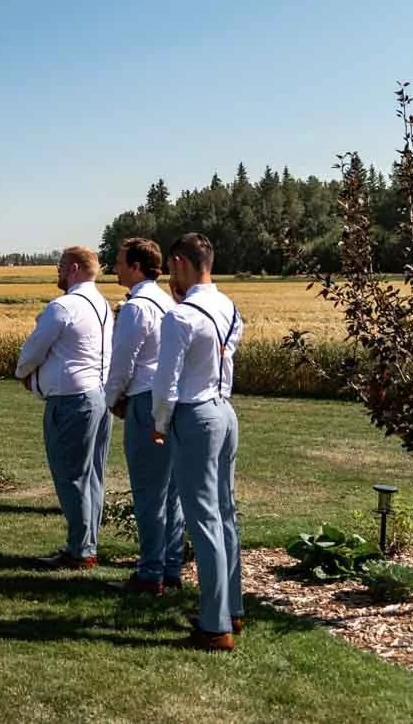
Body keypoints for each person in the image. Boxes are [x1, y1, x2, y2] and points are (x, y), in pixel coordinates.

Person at [153, 232, 245, 651]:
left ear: (179, 263)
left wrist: (159, 423)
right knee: (225, 513)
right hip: (225, 410)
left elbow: (166, 383)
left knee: (203, 518)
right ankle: (231, 608)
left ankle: (214, 624)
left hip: (195, 414)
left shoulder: (181, 316)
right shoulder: (227, 305)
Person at [15, 246, 113, 568]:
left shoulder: (63, 307)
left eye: (59, 266)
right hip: (99, 396)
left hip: (71, 401)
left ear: (72, 268)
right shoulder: (102, 305)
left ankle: (80, 551)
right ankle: (88, 544)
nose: (56, 273)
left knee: (70, 475)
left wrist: (24, 375)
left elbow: (32, 352)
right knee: (92, 475)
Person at [104, 238, 183, 594]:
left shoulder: (137, 308)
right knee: (171, 491)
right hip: (171, 398)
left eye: (120, 261)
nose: (115, 267)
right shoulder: (167, 302)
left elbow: (122, 362)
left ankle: (150, 572)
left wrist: (111, 398)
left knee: (149, 490)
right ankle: (170, 564)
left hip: (144, 399)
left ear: (135, 266)